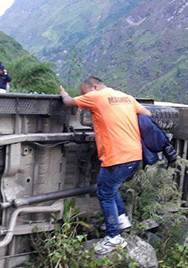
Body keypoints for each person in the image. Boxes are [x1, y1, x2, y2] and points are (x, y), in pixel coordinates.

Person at [60, 77, 152, 255]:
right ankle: (121, 219)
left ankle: (113, 237)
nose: (84, 97)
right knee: (111, 186)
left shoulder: (97, 96)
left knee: (104, 193)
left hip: (116, 157)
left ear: (94, 87)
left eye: (84, 92)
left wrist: (64, 94)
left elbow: (68, 103)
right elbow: (147, 114)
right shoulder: (126, 97)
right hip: (134, 155)